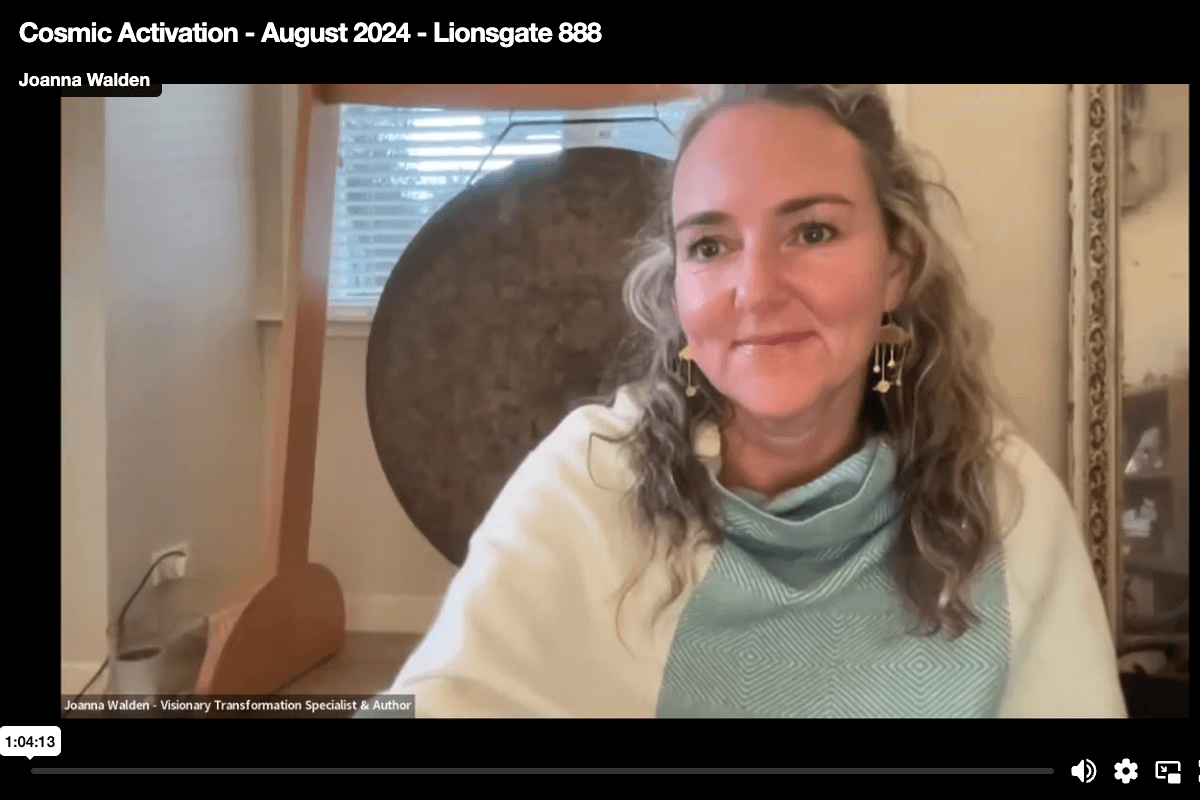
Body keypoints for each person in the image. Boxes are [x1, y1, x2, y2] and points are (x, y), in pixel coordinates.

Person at [362, 84, 1126, 718]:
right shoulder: (588, 482)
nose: (756, 291)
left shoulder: (1004, 504)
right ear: (677, 287)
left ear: (897, 265)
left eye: (813, 232)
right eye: (710, 245)